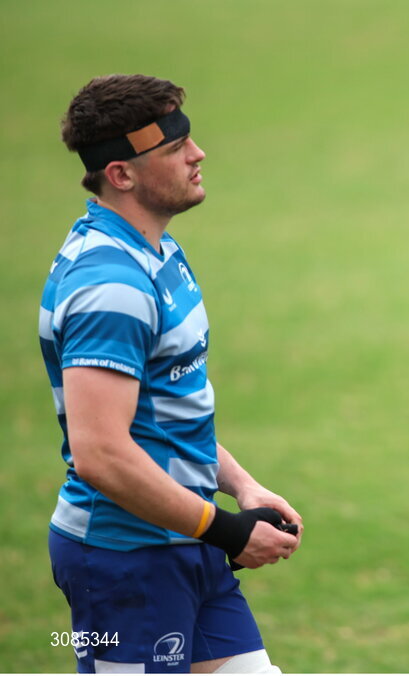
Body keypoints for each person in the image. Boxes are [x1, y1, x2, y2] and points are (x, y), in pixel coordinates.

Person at [40, 74, 301, 673]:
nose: (197, 152)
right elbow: (100, 454)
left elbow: (169, 412)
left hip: (185, 537)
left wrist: (242, 488)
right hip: (125, 559)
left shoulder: (158, 253)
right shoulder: (110, 286)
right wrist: (228, 532)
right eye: (172, 148)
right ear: (121, 174)